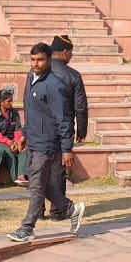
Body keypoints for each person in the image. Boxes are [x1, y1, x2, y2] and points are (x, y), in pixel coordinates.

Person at [6, 43, 84, 242]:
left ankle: (27, 228)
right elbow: (29, 110)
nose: (35, 64)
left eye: (40, 60)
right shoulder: (31, 77)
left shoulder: (55, 85)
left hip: (48, 143)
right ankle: (71, 209)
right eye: (32, 60)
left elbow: (64, 119)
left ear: (49, 60)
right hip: (33, 140)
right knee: (37, 182)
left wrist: (67, 149)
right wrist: (24, 134)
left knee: (37, 186)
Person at [48, 34, 89, 211]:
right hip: (62, 129)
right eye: (71, 53)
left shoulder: (38, 72)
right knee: (58, 169)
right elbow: (81, 107)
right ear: (65, 52)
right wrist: (82, 130)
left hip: (39, 128)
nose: (71, 56)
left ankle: (38, 210)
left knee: (39, 169)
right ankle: (57, 210)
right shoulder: (73, 75)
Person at [0, 89, 27, 185]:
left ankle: (21, 175)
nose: (11, 103)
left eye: (12, 100)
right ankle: (15, 177)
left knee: (23, 148)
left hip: (12, 140)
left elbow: (18, 129)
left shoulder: (14, 113)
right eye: (9, 101)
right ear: (1, 101)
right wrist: (9, 143)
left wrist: (17, 142)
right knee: (8, 151)